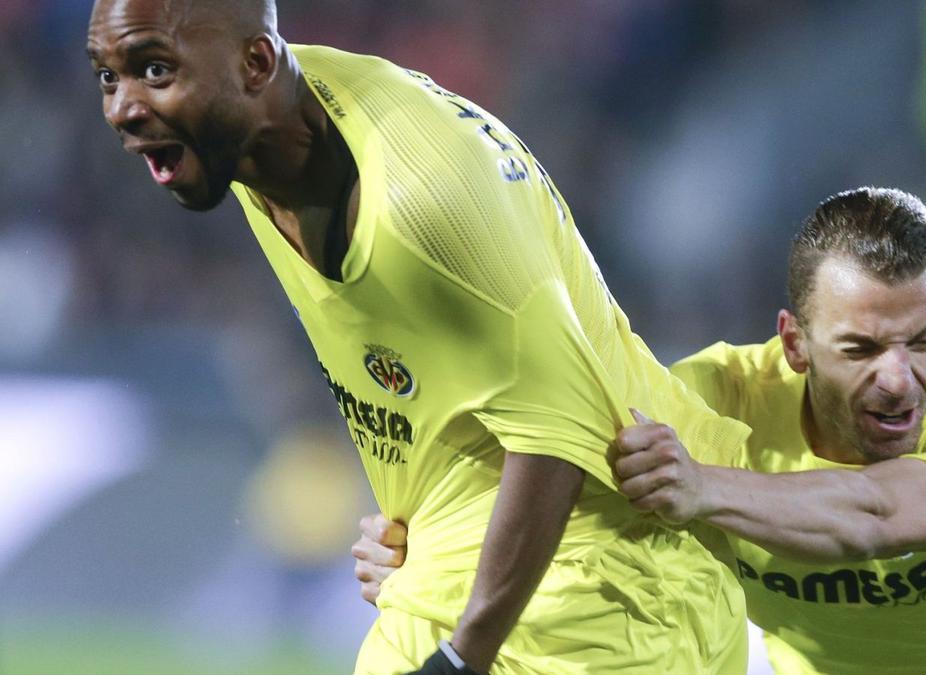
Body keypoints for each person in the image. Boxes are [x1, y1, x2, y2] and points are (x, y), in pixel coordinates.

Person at [85, 1, 753, 673]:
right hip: (475, 574)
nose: (123, 107)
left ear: (255, 64)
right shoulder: (260, 139)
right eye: (108, 77)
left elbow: (561, 433)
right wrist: (424, 527)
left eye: (154, 69)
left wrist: (465, 655)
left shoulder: (423, 198)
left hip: (614, 596)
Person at [356, 188, 926, 673]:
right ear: (794, 342)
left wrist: (704, 488)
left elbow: (879, 517)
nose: (900, 377)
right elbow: (563, 474)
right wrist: (428, 552)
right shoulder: (713, 405)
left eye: (923, 339)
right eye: (862, 348)